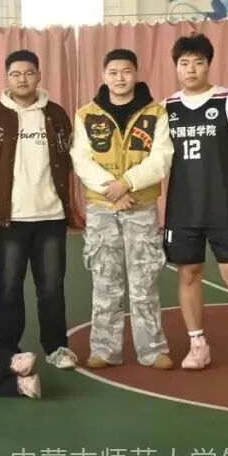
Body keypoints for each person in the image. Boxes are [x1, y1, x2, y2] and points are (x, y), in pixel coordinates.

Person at [165, 33, 228, 377]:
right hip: (182, 208)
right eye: (184, 63)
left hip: (225, 205)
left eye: (198, 62)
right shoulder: (167, 108)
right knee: (188, 274)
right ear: (176, 67)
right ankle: (197, 345)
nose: (191, 69)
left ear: (209, 65)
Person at [70, 48, 174, 371]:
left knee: (145, 281)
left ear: (136, 73)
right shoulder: (86, 114)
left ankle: (152, 350)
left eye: (126, 71)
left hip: (141, 206)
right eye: (113, 72)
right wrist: (112, 191)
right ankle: (104, 349)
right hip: (102, 208)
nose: (119, 78)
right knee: (105, 281)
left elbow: (161, 158)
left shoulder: (155, 113)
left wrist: (127, 183)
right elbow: (81, 160)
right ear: (104, 76)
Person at [0, 50, 76, 368]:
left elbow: (68, 158)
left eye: (28, 73)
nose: (22, 79)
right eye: (15, 74)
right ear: (6, 78)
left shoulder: (56, 114)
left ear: (39, 75)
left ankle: (57, 347)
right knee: (8, 287)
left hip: (51, 216)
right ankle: (7, 346)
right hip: (9, 218)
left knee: (51, 287)